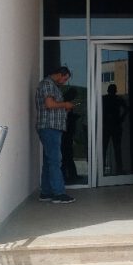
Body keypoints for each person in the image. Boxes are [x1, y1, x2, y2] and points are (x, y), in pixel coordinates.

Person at [35, 66, 76, 204]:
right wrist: (65, 104)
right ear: (59, 74)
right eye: (65, 79)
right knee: (55, 161)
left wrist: (65, 108)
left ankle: (46, 193)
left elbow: (53, 106)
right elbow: (49, 104)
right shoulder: (47, 84)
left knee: (49, 161)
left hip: (51, 128)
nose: (64, 82)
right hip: (49, 127)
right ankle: (59, 193)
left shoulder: (53, 86)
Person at [102, 84, 128, 175]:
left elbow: (126, 109)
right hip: (114, 125)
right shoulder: (117, 99)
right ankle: (119, 169)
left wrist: (121, 118)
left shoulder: (105, 99)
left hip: (108, 126)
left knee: (105, 148)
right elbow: (126, 109)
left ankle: (103, 169)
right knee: (116, 149)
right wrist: (121, 118)